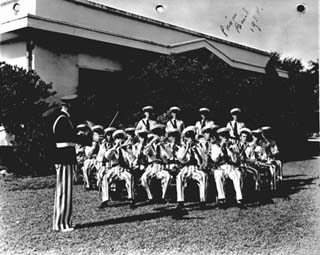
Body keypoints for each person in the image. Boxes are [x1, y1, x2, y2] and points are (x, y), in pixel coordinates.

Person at [51, 94, 79, 232]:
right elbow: (70, 139)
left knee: (64, 191)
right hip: (65, 158)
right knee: (64, 191)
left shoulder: (62, 119)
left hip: (64, 158)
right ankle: (62, 224)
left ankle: (62, 222)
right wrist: (89, 138)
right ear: (68, 106)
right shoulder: (63, 120)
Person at [99, 130, 136, 209]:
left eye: (121, 138)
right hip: (114, 168)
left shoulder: (127, 149)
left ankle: (131, 199)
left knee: (130, 177)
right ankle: (105, 200)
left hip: (124, 168)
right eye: (117, 138)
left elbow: (132, 159)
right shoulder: (112, 148)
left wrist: (126, 149)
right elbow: (107, 156)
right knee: (105, 178)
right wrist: (114, 148)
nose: (119, 140)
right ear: (114, 140)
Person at [175, 126, 208, 211]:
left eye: (191, 137)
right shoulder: (182, 148)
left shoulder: (198, 147)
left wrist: (202, 165)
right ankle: (180, 201)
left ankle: (202, 200)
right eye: (188, 137)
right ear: (185, 138)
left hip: (196, 168)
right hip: (186, 168)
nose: (190, 139)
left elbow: (203, 158)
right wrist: (187, 148)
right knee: (179, 177)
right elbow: (181, 158)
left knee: (203, 176)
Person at [211, 127, 244, 208]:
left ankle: (239, 199)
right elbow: (215, 159)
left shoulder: (232, 145)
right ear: (220, 137)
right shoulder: (215, 146)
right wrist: (221, 147)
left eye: (226, 136)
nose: (225, 138)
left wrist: (232, 151)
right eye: (223, 136)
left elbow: (235, 161)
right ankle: (222, 199)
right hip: (221, 167)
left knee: (237, 174)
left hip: (230, 167)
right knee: (218, 175)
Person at [140, 124, 172, 203]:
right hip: (151, 166)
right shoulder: (149, 146)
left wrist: (163, 145)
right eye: (155, 134)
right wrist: (152, 141)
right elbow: (145, 152)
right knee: (144, 178)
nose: (157, 136)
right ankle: (150, 197)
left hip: (160, 166)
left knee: (168, 176)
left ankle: (163, 197)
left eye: (159, 134)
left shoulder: (164, 146)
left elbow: (170, 156)